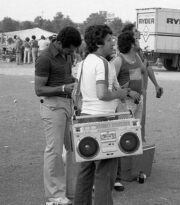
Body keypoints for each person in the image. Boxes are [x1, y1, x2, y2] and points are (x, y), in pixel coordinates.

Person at [73, 25, 131, 205]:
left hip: (86, 116)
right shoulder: (103, 63)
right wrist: (121, 94)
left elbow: (77, 93)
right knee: (105, 172)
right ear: (99, 43)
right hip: (103, 119)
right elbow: (102, 94)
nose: (112, 42)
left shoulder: (83, 63)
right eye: (108, 40)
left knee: (86, 169)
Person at [35, 26, 82, 205]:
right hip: (52, 106)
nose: (72, 53)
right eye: (69, 49)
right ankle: (53, 196)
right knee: (54, 151)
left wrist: (74, 82)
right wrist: (62, 88)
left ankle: (69, 190)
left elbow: (67, 76)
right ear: (60, 42)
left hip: (67, 104)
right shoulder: (44, 58)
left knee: (72, 149)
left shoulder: (67, 55)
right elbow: (39, 89)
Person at [112, 31, 145, 191]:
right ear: (131, 43)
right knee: (121, 137)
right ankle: (116, 177)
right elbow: (111, 83)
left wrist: (141, 91)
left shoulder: (137, 57)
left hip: (138, 102)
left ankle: (131, 172)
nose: (139, 40)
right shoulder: (119, 60)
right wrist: (129, 92)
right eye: (137, 39)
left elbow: (143, 72)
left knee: (134, 136)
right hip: (125, 103)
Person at [120, 23, 163, 141]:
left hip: (142, 91)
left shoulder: (139, 52)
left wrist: (156, 85)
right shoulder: (124, 55)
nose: (138, 33)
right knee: (130, 123)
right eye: (135, 31)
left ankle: (141, 143)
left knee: (141, 120)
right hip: (130, 94)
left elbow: (147, 67)